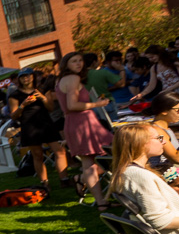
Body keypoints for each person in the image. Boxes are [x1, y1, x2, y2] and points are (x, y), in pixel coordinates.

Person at [56, 52, 112, 208]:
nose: (79, 63)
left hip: (74, 123)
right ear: (66, 64)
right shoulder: (73, 79)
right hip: (82, 123)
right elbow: (72, 105)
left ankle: (100, 201)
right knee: (114, 154)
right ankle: (87, 184)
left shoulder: (61, 80)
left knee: (89, 163)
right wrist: (97, 105)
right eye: (74, 61)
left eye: (80, 60)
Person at [6, 67, 68, 190]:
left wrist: (43, 98)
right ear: (19, 79)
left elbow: (51, 108)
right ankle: (44, 183)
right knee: (38, 155)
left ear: (33, 77)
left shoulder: (43, 90)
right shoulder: (15, 95)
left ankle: (64, 180)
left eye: (28, 75)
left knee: (60, 151)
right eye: (22, 76)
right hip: (30, 126)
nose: (26, 78)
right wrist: (23, 105)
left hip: (46, 124)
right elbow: (14, 115)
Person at [84, 52, 123, 121]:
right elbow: (121, 84)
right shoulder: (102, 73)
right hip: (107, 103)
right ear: (94, 62)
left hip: (90, 106)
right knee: (114, 127)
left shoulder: (79, 77)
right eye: (98, 60)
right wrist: (122, 70)